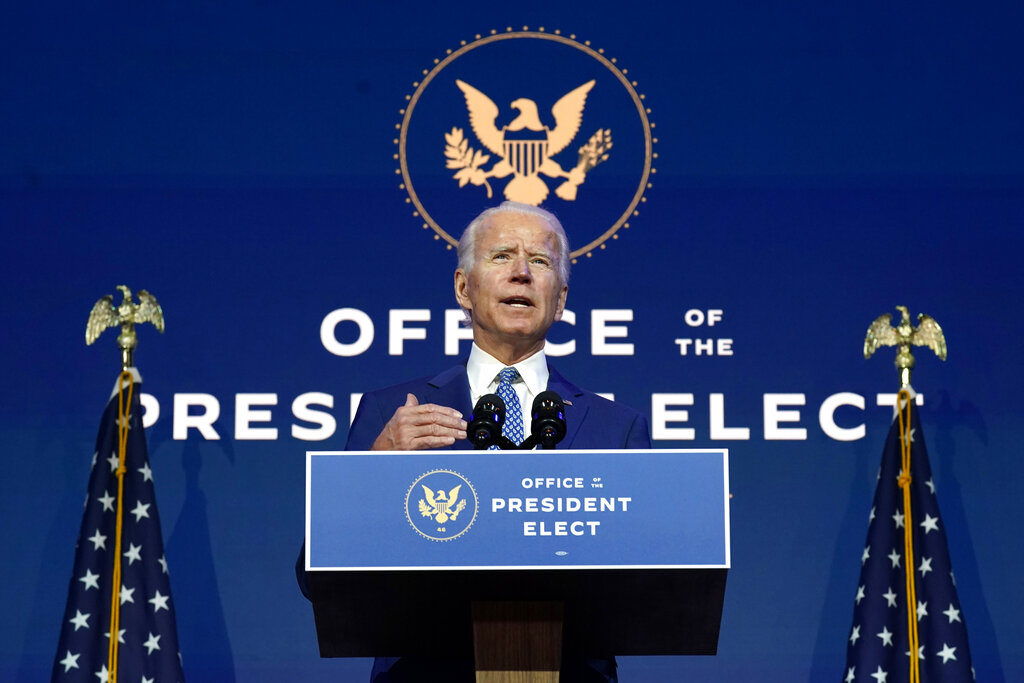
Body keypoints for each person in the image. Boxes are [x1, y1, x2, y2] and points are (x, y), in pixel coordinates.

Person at [299, 201, 651, 683]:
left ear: (562, 298)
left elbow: (644, 587)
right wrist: (374, 469)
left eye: (541, 261)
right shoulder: (391, 413)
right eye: (503, 256)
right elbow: (318, 575)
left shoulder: (617, 429)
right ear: (464, 288)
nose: (522, 273)